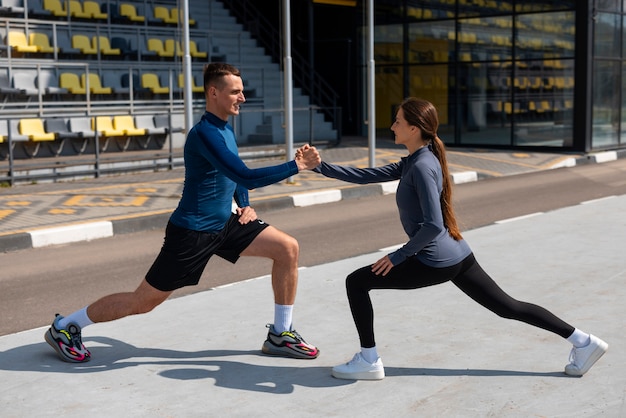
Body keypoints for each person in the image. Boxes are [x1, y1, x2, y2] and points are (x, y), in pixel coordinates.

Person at [309, 97, 607, 380]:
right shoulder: (416, 160)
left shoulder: (423, 166)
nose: (392, 126)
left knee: (357, 282)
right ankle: (584, 341)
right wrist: (319, 166)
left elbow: (433, 226)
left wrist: (397, 256)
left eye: (397, 121)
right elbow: (366, 175)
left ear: (414, 129)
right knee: (508, 307)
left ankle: (369, 360)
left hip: (436, 260)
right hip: (458, 255)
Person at [45, 63, 321, 363]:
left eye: (242, 92)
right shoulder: (205, 134)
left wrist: (244, 204)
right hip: (192, 233)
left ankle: (281, 334)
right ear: (214, 92)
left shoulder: (225, 127)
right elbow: (246, 175)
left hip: (225, 223)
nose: (242, 98)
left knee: (287, 248)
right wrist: (297, 166)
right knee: (143, 302)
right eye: (235, 92)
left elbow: (234, 176)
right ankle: (66, 326)